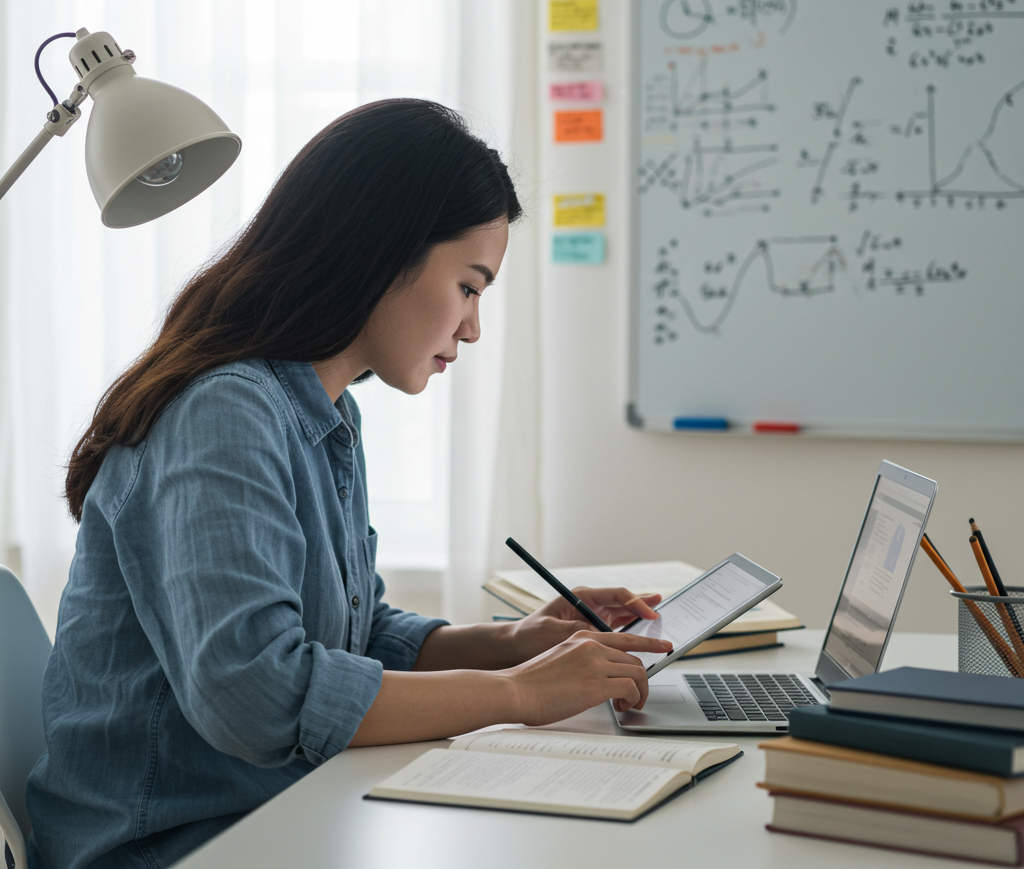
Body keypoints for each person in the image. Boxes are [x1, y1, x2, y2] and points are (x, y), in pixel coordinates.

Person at [26, 99, 671, 869]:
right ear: (384, 251)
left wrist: (516, 644)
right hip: (170, 847)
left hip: (273, 822)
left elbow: (351, 637)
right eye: (469, 287)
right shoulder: (223, 413)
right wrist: (520, 694)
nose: (472, 328)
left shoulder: (322, 413)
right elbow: (259, 695)